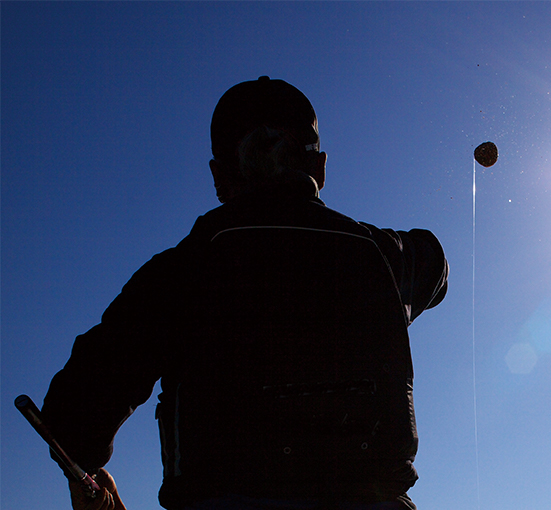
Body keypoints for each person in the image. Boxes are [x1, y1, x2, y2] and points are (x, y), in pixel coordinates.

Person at [41, 77, 448, 510]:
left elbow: (72, 422)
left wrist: (86, 469)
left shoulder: (180, 271)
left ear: (219, 176)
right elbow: (435, 261)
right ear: (321, 168)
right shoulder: (389, 258)